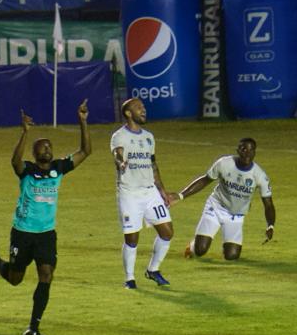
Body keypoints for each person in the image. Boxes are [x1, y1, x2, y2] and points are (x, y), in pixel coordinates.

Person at [0, 100, 91, 335]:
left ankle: (33, 327)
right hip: (22, 232)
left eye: (49, 146)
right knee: (15, 279)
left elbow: (85, 152)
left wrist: (82, 122)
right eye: (42, 147)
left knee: (46, 275)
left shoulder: (59, 168)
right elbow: (15, 162)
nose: (47, 149)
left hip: (46, 234)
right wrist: (24, 133)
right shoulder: (27, 170)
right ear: (34, 153)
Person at [169, 138, 275, 261]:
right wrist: (181, 195)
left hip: (236, 215)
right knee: (200, 250)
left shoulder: (260, 175)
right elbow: (205, 180)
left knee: (231, 256)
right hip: (216, 207)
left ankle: (227, 247)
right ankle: (192, 246)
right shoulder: (224, 164)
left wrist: (270, 225)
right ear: (238, 150)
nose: (247, 153)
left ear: (255, 153)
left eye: (251, 150)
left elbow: (268, 204)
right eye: (244, 149)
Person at [110, 98, 173, 288]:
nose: (143, 110)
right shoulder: (119, 136)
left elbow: (153, 164)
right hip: (130, 193)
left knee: (167, 232)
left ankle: (153, 270)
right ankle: (129, 278)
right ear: (128, 113)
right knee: (132, 238)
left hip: (150, 192)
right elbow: (117, 153)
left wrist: (162, 190)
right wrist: (121, 162)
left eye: (143, 107)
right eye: (138, 108)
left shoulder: (149, 137)